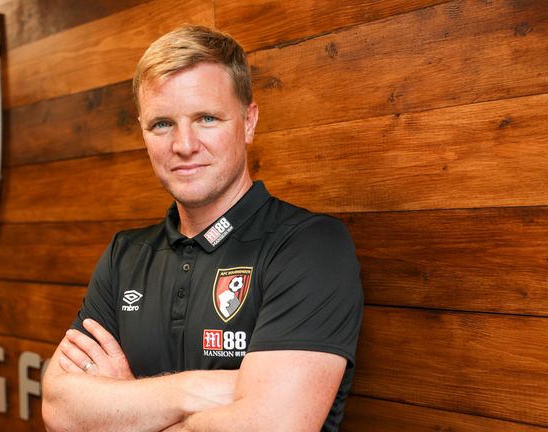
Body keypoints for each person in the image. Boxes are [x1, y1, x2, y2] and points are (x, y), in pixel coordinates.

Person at [41, 25, 363, 432]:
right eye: (162, 124)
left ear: (248, 122)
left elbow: (271, 426)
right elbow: (59, 410)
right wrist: (198, 390)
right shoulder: (126, 254)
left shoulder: (309, 246)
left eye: (207, 118)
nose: (184, 144)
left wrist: (122, 402)